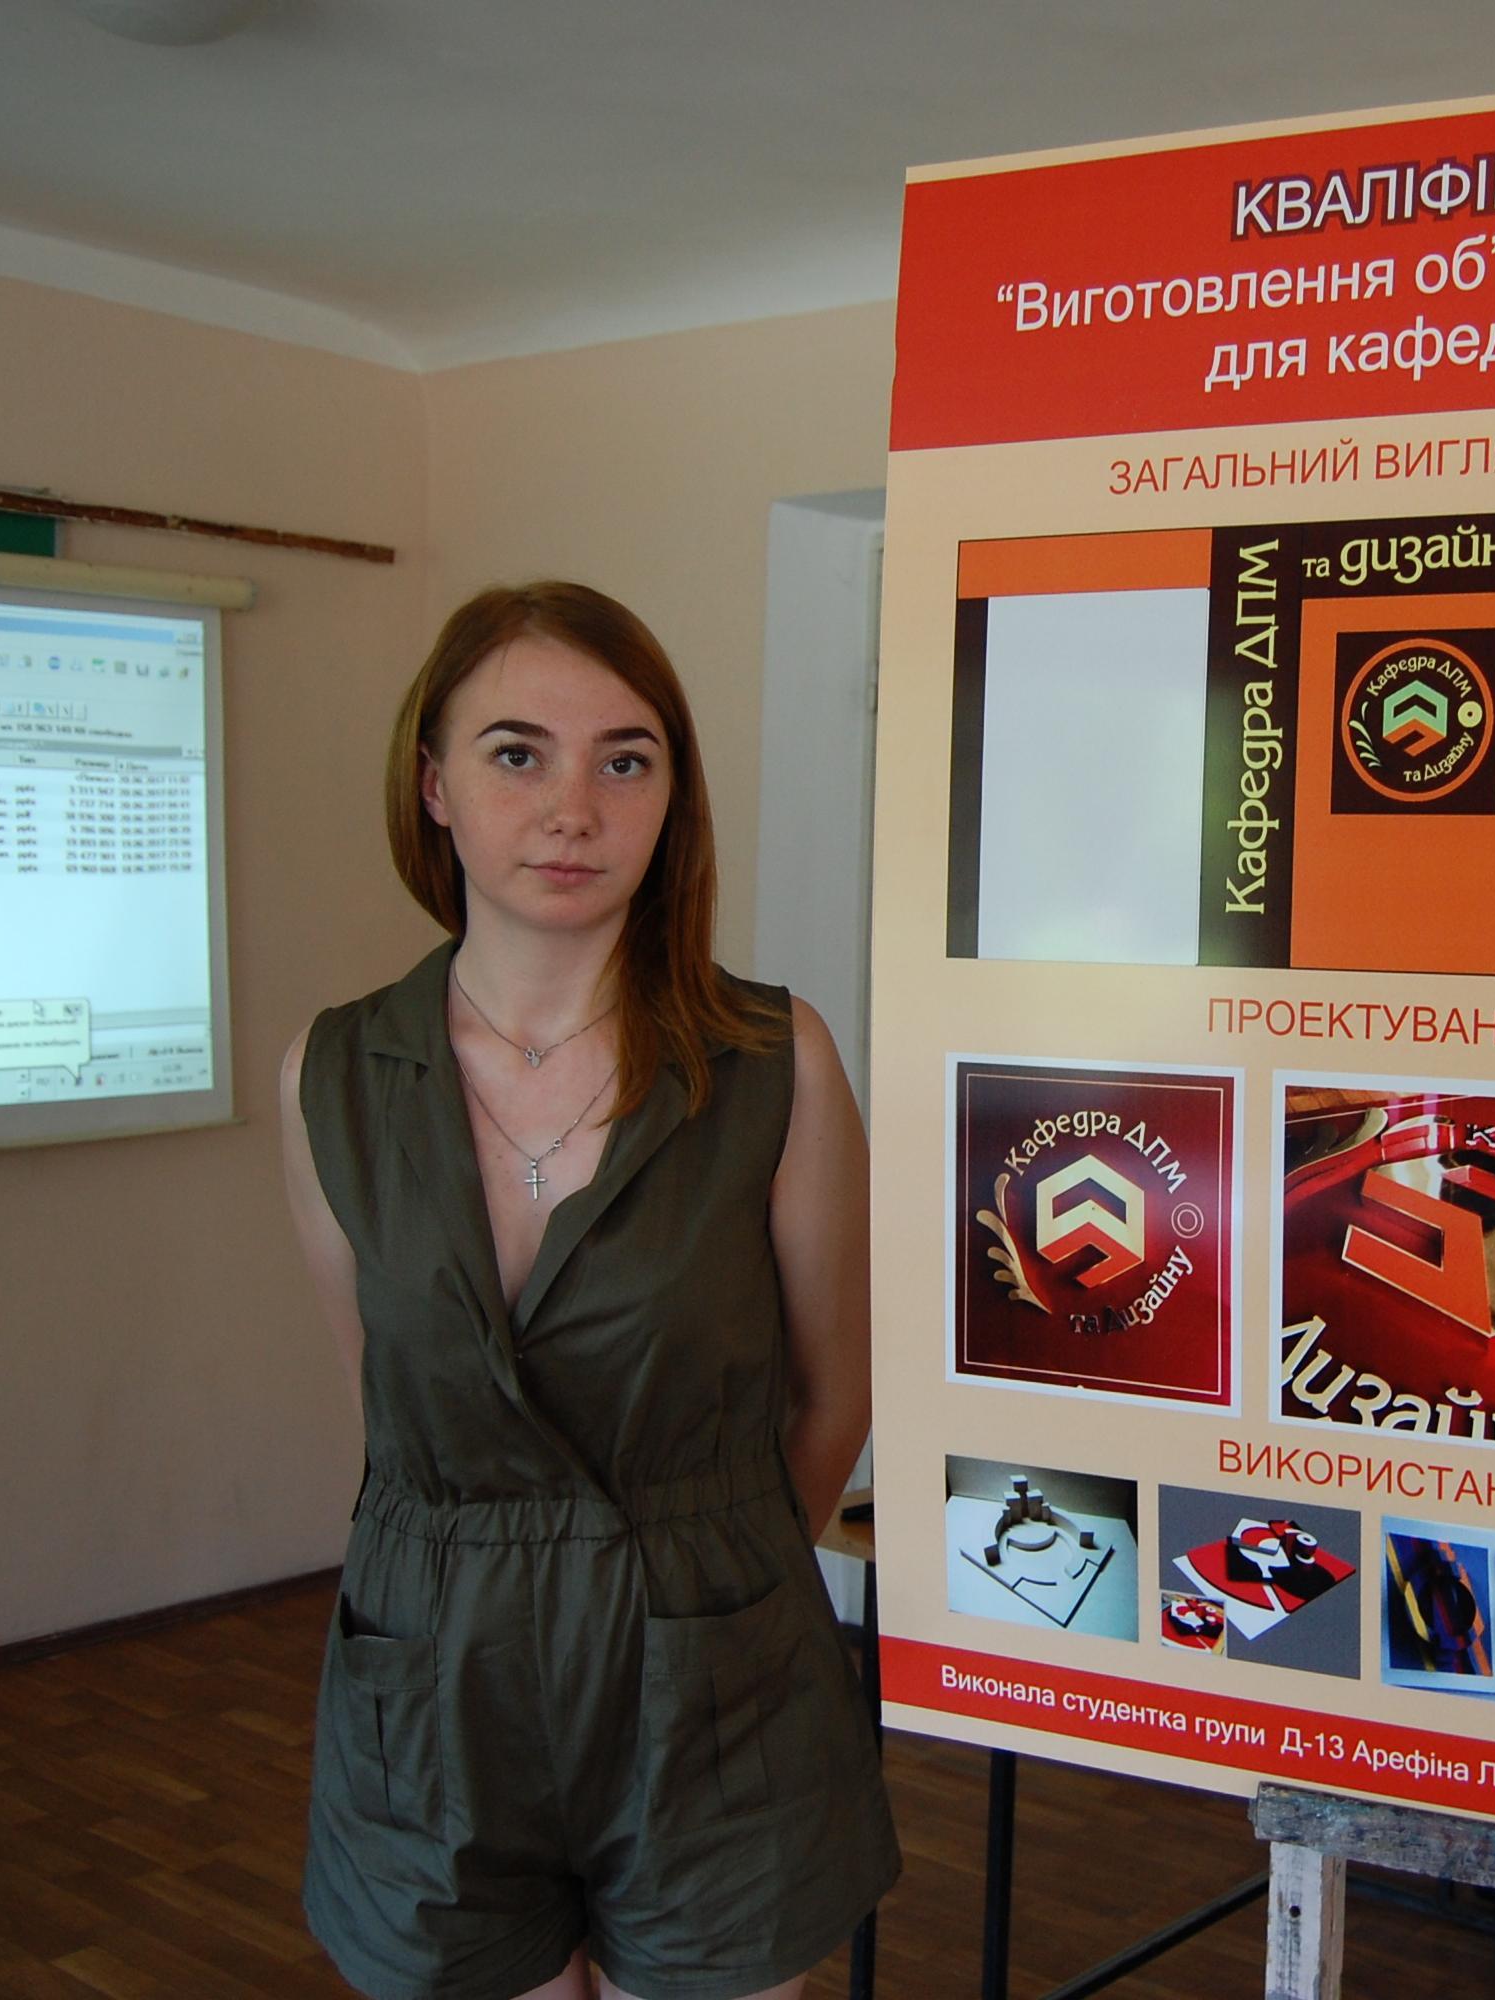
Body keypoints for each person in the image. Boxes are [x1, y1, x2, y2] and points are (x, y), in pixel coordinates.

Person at [277, 581, 898, 2000]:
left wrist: (709, 1579)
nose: (574, 809)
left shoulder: (773, 1061)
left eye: (626, 760)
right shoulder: (333, 1078)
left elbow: (832, 1394)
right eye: (518, 754)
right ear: (433, 785)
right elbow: (390, 1401)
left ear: (672, 799)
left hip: (712, 1675)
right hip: (439, 1684)